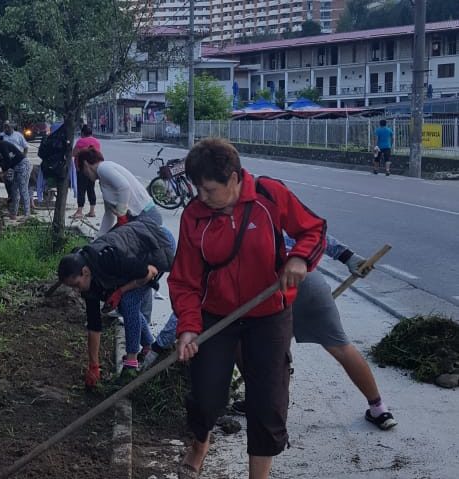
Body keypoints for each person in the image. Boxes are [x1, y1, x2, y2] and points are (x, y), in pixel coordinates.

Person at [168, 138, 326, 479]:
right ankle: (200, 443)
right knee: (206, 395)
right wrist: (189, 327)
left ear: (235, 179)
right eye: (197, 189)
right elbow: (184, 280)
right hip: (217, 315)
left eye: (210, 189)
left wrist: (299, 257)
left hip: (268, 314)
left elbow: (313, 229)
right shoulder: (194, 216)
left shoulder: (269, 196)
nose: (202, 197)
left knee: (268, 400)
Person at [144, 234, 398, 432]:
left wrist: (158, 347)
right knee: (340, 346)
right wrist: (349, 258)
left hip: (271, 290)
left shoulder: (218, 239)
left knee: (240, 343)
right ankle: (379, 408)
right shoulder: (271, 210)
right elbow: (317, 236)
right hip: (307, 282)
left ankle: (262, 402)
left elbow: (189, 300)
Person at [58, 220, 175, 387]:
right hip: (136, 253)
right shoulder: (87, 272)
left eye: (76, 285)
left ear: (85, 272)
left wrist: (119, 292)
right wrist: (94, 366)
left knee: (128, 302)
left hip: (156, 245)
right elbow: (94, 324)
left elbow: (147, 273)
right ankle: (148, 346)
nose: (77, 291)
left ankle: (131, 365)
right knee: (122, 304)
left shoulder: (107, 258)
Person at [75, 148, 162, 237]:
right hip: (136, 218)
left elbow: (124, 187)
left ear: (86, 164)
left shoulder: (103, 168)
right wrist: (99, 236)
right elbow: (109, 215)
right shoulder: (103, 180)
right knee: (108, 241)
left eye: (82, 170)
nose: (85, 175)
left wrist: (121, 215)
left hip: (146, 217)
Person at [0, 134, 31, 220]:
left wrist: (4, 172)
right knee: (14, 190)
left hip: (23, 165)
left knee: (23, 189)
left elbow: (8, 160)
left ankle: (27, 214)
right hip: (14, 168)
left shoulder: (3, 144)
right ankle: (13, 213)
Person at [70, 125, 100, 219]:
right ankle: (92, 211)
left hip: (82, 169)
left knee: (81, 190)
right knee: (91, 189)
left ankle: (79, 211)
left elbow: (73, 154)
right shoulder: (97, 142)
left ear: (82, 133)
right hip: (93, 170)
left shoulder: (80, 141)